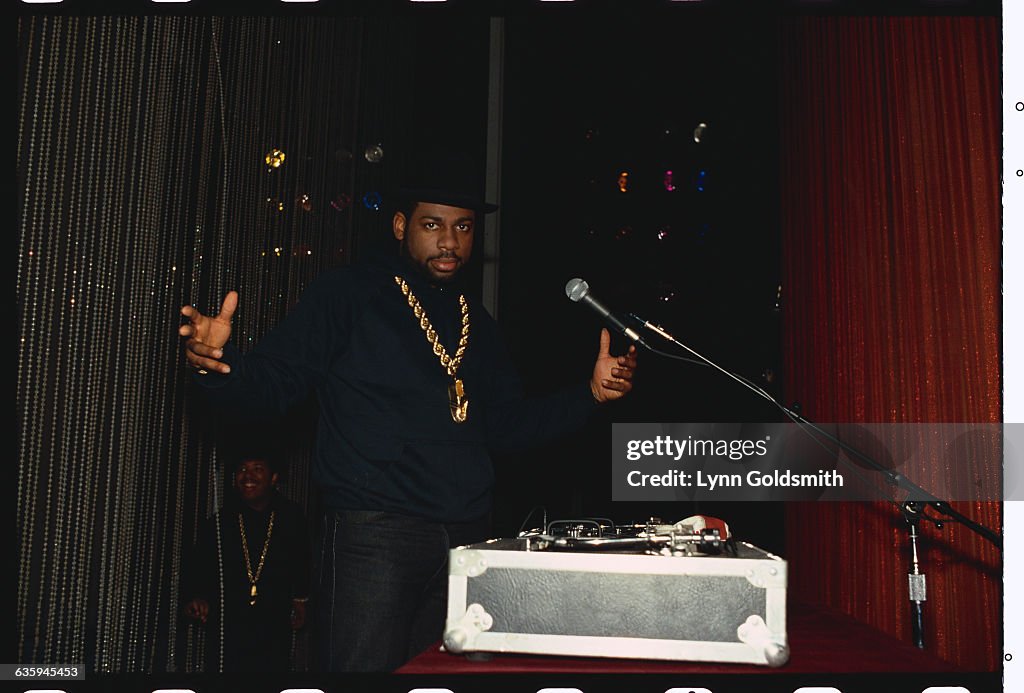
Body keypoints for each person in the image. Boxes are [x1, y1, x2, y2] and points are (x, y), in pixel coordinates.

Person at [177, 149, 638, 672]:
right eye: (432, 225)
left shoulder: (477, 322)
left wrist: (588, 397)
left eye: (463, 227)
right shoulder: (347, 294)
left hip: (464, 538)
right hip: (374, 534)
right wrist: (219, 365)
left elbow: (506, 427)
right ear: (401, 226)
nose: (450, 241)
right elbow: (279, 382)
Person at [180, 439, 311, 673]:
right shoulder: (221, 522)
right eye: (242, 469)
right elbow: (198, 568)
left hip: (274, 625)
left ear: (273, 478)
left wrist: (301, 600)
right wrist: (197, 598)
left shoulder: (291, 517)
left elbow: (304, 562)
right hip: (229, 627)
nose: (247, 476)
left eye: (257, 469)